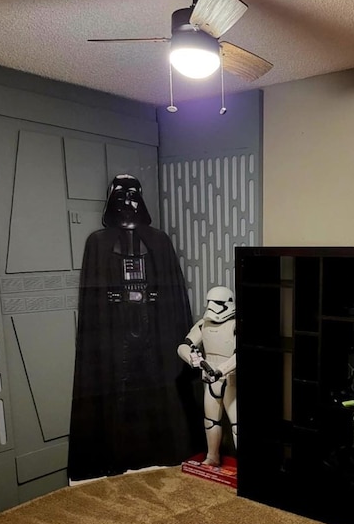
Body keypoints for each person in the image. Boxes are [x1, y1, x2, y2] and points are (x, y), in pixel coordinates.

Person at [68, 175, 202, 480]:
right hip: (116, 328)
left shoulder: (158, 240)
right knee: (121, 385)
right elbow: (95, 298)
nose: (128, 201)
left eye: (133, 193)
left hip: (152, 324)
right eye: (121, 193)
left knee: (157, 384)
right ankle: (119, 453)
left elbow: (171, 291)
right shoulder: (98, 242)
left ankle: (161, 447)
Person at [177, 286, 236, 466]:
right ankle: (212, 456)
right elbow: (184, 345)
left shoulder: (234, 325)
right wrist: (193, 359)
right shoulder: (204, 324)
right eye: (209, 302)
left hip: (230, 379)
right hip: (210, 379)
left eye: (217, 303)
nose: (212, 307)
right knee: (210, 421)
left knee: (237, 424)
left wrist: (221, 370)